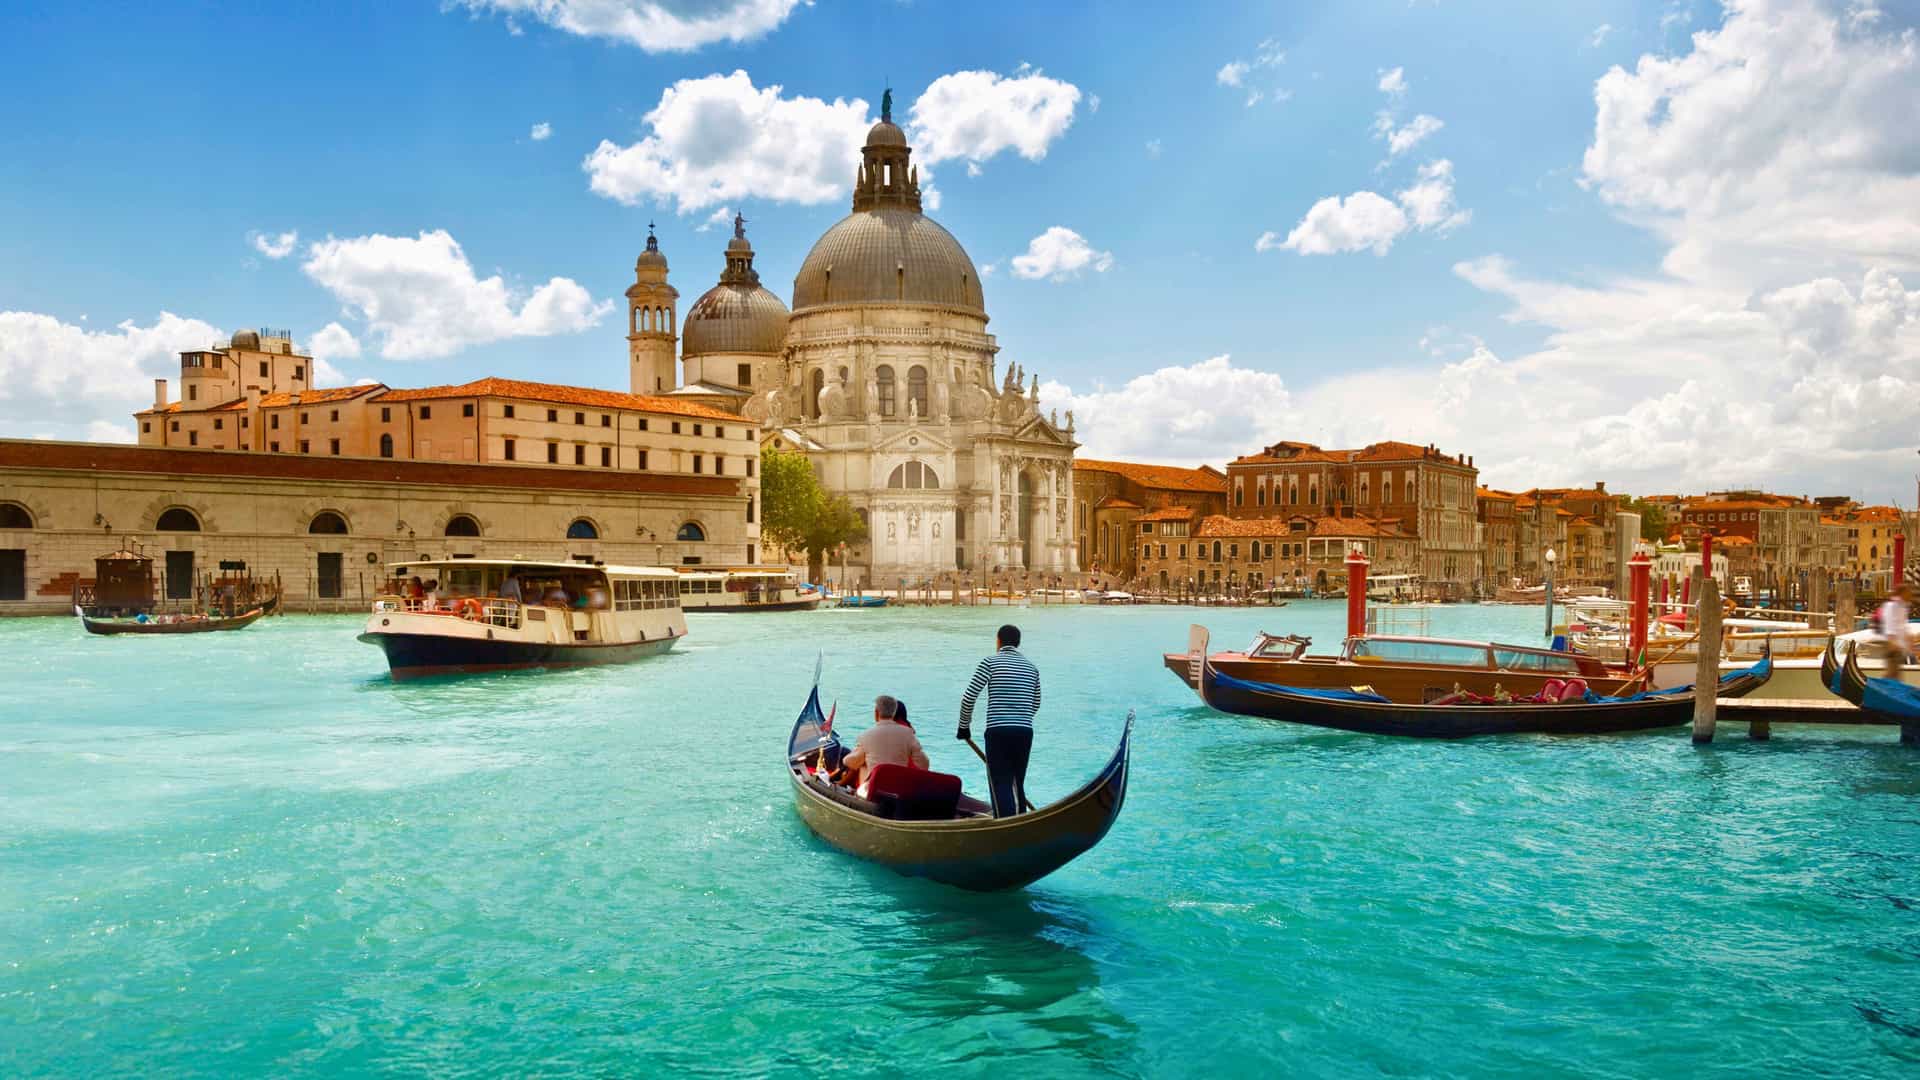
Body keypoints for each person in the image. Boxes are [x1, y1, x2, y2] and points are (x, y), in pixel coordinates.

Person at [957, 624, 1041, 817]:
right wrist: (1020, 718)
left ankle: (1006, 824)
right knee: (1017, 782)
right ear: (1018, 643)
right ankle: (1021, 821)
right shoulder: (1031, 668)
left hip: (998, 731)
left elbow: (969, 697)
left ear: (998, 641)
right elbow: (1035, 703)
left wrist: (964, 727)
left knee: (1000, 781)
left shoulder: (990, 662)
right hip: (1024, 731)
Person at [839, 695, 928, 796]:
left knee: (862, 763)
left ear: (876, 713)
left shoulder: (867, 735)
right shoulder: (908, 733)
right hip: (899, 789)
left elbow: (849, 762)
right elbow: (924, 765)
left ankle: (843, 786)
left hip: (873, 790)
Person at [1881, 582, 1913, 679]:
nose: (1910, 595)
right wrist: (1892, 641)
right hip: (1893, 644)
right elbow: (1889, 623)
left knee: (1894, 674)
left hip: (1899, 646)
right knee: (1892, 674)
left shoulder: (1902, 606)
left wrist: (1908, 639)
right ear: (1902, 593)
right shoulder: (1892, 606)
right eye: (1908, 592)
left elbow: (1902, 626)